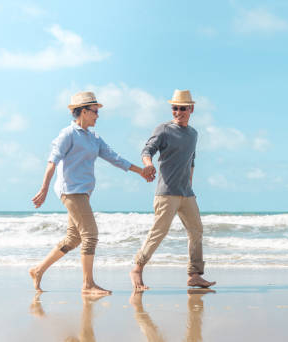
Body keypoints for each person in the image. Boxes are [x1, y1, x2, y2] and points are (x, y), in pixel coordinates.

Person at [30, 91, 153, 294]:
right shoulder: (67, 134)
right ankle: (88, 284)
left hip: (84, 192)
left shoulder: (94, 138)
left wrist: (140, 172)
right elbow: (52, 162)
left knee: (74, 238)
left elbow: (114, 157)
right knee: (90, 235)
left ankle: (38, 269)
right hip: (70, 191)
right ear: (84, 112)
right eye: (95, 111)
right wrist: (43, 189)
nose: (98, 115)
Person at [131, 89, 216, 289]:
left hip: (187, 193)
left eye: (183, 108)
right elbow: (147, 150)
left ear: (191, 109)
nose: (178, 112)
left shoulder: (194, 134)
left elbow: (191, 160)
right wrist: (148, 164)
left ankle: (194, 274)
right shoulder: (163, 130)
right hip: (166, 193)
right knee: (159, 232)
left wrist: (190, 182)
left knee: (196, 232)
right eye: (175, 108)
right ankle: (137, 268)